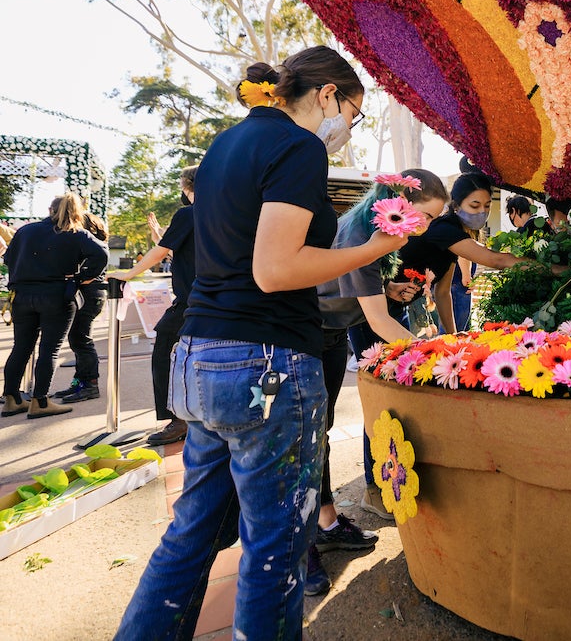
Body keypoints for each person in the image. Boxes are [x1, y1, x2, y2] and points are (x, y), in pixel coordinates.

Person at [117, 46, 409, 640]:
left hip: (200, 355)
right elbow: (276, 270)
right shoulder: (297, 147)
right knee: (274, 548)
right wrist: (377, 249)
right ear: (328, 95)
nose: (348, 127)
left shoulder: (225, 145)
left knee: (192, 533)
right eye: (353, 112)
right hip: (265, 364)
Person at [310, 168, 449, 594]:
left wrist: (388, 289)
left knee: (321, 433)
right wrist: (439, 358)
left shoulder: (376, 230)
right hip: (305, 336)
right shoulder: (365, 234)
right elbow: (378, 322)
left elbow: (357, 288)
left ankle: (326, 521)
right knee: (306, 438)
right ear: (397, 203)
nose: (425, 228)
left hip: (329, 336)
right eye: (423, 217)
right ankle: (300, 550)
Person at [109, 166, 199, 445]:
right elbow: (178, 248)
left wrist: (127, 273)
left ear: (187, 187)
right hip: (221, 299)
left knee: (164, 353)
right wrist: (161, 234)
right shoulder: (225, 211)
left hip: (192, 301)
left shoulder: (188, 214)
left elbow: (162, 251)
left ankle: (178, 419)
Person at [2, 193, 107, 419]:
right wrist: (82, 277)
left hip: (22, 295)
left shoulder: (25, 231)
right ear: (77, 212)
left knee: (21, 347)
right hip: (56, 294)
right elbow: (102, 253)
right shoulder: (76, 233)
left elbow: (8, 258)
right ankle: (40, 401)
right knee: (49, 349)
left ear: (50, 209)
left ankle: (11, 398)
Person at [397, 171, 536, 333]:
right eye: (475, 205)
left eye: (487, 205)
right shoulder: (444, 229)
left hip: (398, 304)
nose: (482, 212)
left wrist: (453, 337)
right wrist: (553, 269)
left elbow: (442, 292)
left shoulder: (453, 232)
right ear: (456, 206)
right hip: (378, 301)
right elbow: (497, 260)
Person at [55, 210, 110, 403]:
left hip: (90, 296)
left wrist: (81, 278)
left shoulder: (92, 246)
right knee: (77, 338)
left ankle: (90, 385)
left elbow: (91, 269)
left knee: (81, 339)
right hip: (88, 295)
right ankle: (79, 381)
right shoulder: (85, 246)